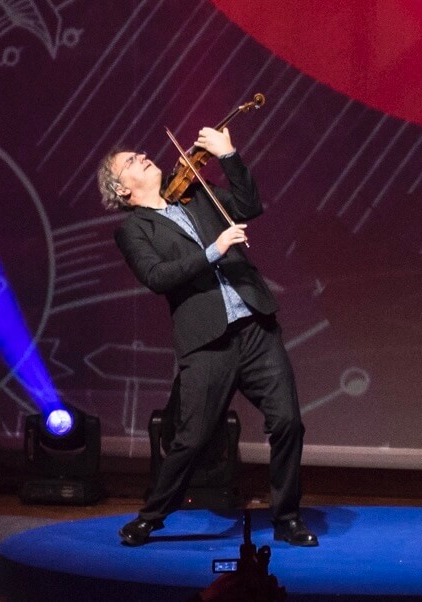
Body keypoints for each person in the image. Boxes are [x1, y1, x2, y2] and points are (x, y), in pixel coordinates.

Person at [96, 126, 318, 547]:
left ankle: (288, 516)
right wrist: (214, 249)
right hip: (208, 341)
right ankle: (152, 516)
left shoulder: (195, 191)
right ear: (122, 190)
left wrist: (229, 154)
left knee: (288, 422)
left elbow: (250, 205)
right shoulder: (134, 229)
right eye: (129, 162)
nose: (142, 156)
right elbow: (158, 277)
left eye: (139, 152)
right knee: (192, 439)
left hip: (254, 326)